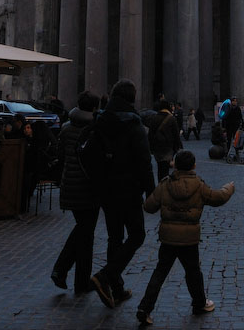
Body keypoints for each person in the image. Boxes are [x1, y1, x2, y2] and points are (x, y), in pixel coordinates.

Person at [135, 150, 234, 326]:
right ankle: (199, 303)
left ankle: (145, 308)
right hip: (189, 239)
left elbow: (149, 206)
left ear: (175, 164)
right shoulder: (198, 185)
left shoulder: (166, 184)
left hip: (168, 238)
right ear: (194, 165)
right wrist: (229, 188)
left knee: (160, 272)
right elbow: (218, 198)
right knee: (193, 272)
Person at [90, 79, 157, 309]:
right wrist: (151, 192)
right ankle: (105, 276)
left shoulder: (100, 122)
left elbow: (91, 155)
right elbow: (144, 161)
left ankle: (116, 290)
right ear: (131, 99)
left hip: (106, 191)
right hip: (128, 190)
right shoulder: (133, 124)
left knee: (114, 238)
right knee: (137, 235)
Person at [52, 91, 100, 295]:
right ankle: (61, 269)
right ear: (94, 108)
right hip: (88, 188)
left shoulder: (65, 128)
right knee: (84, 231)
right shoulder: (95, 130)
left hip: (69, 185)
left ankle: (80, 282)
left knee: (85, 233)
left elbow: (60, 156)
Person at [144, 101, 182, 182]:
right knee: (165, 169)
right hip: (167, 147)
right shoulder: (171, 118)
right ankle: (164, 187)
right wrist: (177, 147)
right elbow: (176, 134)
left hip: (157, 148)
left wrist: (151, 148)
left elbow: (150, 134)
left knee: (160, 167)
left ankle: (161, 185)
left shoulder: (154, 118)